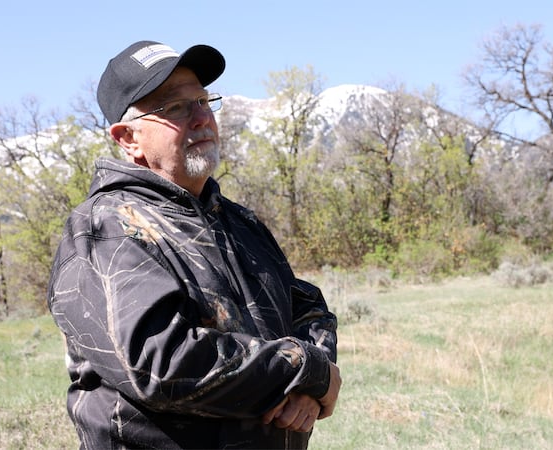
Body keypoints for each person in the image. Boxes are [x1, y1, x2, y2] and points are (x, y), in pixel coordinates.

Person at [47, 40, 341, 449]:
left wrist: (310, 384)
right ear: (128, 138)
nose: (202, 117)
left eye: (204, 100)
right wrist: (304, 368)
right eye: (176, 108)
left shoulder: (240, 222)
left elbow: (308, 307)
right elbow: (158, 364)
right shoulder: (105, 229)